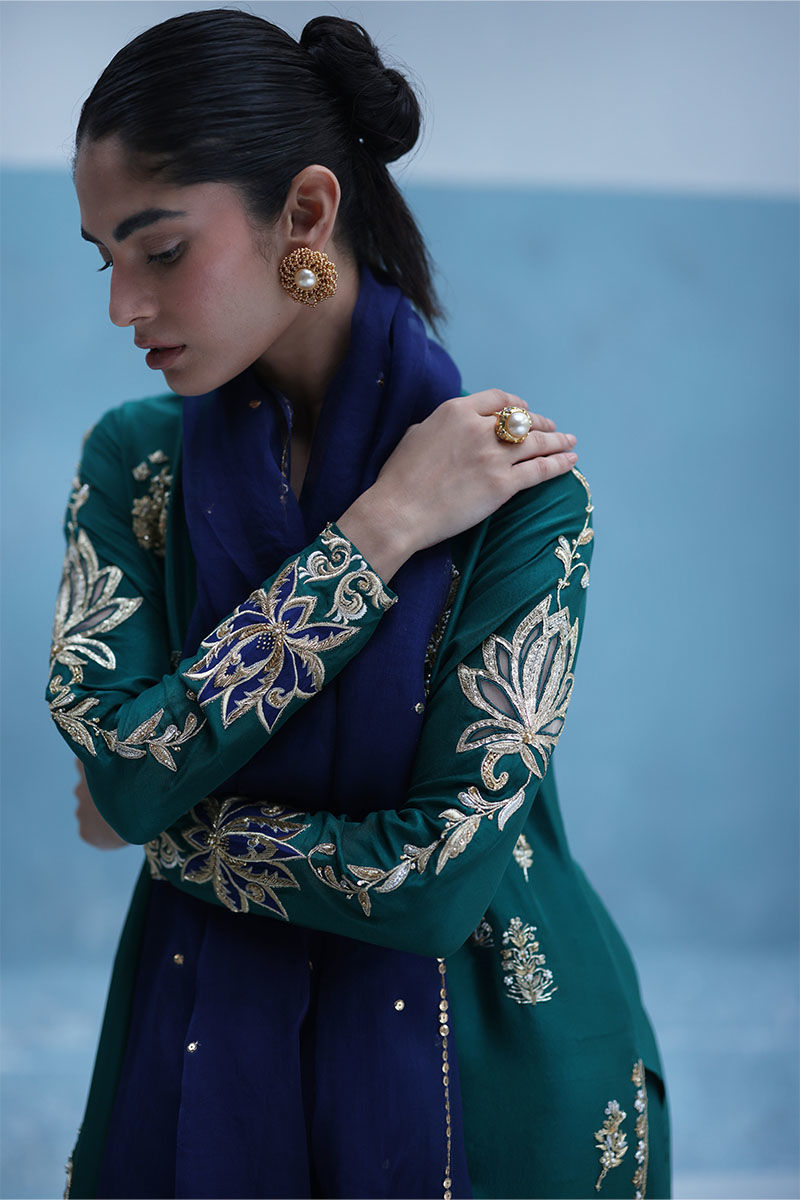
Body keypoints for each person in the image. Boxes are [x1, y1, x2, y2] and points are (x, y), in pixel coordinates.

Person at [47, 9, 669, 1199]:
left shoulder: (519, 486)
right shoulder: (132, 465)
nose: (122, 306)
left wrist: (165, 824)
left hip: (487, 1068)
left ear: (306, 214)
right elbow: (119, 768)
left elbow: (428, 882)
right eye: (103, 259)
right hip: (191, 1043)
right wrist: (377, 532)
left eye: (160, 250)